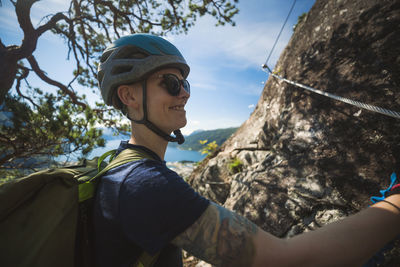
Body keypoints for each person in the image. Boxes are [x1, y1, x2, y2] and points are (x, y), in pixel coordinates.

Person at [94, 33, 400, 267]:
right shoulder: (146, 185)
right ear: (129, 95)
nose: (184, 94)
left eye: (187, 85)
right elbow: (285, 260)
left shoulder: (119, 166)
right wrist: (395, 205)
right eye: (172, 83)